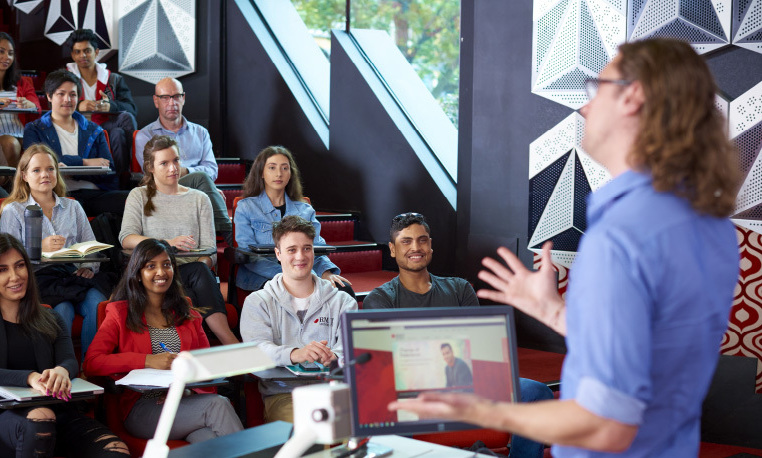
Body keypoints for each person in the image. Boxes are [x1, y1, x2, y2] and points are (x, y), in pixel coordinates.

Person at [389, 38, 741, 457]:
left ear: (634, 96)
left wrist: (488, 409)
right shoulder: (711, 223)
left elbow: (607, 427)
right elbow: (652, 352)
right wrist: (554, 311)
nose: (586, 106)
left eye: (598, 87)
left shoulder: (621, 237)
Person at [365, 212, 553, 458]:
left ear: (430, 245)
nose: (416, 247)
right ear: (392, 249)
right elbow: (390, 364)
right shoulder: (380, 299)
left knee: (536, 393)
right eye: (406, 241)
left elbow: (477, 348)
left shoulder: (460, 288)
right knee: (386, 404)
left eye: (422, 240)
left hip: (466, 380)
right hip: (411, 389)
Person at [84, 238, 243, 443]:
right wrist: (148, 360)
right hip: (143, 408)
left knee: (209, 438)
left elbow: (204, 362)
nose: (161, 272)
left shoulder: (187, 310)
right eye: (151, 266)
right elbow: (92, 363)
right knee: (218, 404)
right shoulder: (119, 312)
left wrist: (187, 389)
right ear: (138, 274)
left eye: (166, 265)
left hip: (185, 401)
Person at [0, 233, 128, 458]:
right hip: (6, 416)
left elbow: (69, 360)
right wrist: (29, 377)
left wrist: (61, 370)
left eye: (20, 266)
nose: (15, 276)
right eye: (3, 270)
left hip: (57, 413)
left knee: (115, 451)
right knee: (40, 419)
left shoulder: (50, 317)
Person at [119, 135, 238, 345]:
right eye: (164, 163)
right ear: (151, 167)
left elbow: (210, 251)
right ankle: (227, 346)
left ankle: (226, 341)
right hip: (153, 272)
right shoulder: (138, 195)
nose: (173, 168)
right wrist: (167, 243)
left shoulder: (199, 198)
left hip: (190, 272)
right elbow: (127, 239)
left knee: (201, 272)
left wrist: (203, 264)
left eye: (175, 161)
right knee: (192, 288)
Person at [239, 215, 357, 422]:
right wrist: (294, 353)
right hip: (284, 395)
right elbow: (256, 349)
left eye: (307, 248)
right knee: (310, 433)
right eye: (292, 250)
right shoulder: (258, 302)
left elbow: (353, 348)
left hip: (333, 391)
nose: (300, 256)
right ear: (278, 254)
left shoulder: (343, 301)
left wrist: (335, 357)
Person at [0, 144, 109, 360]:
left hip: (70, 274)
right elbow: (7, 258)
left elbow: (90, 246)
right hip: (36, 277)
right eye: (37, 170)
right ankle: (62, 368)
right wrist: (39, 250)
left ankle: (92, 366)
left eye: (50, 169)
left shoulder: (72, 206)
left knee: (97, 302)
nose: (45, 175)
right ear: (24, 176)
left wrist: (87, 266)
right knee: (64, 310)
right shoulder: (14, 210)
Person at [235, 146, 351, 295]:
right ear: (261, 173)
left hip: (303, 273)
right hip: (263, 277)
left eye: (285, 168)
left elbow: (316, 248)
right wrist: (291, 276)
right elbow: (248, 256)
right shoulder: (246, 207)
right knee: (289, 291)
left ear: (290, 174)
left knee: (343, 290)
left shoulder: (305, 210)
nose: (279, 173)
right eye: (272, 167)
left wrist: (326, 273)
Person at [22, 69, 128, 216]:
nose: (67, 100)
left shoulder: (93, 130)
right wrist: (85, 163)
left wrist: (69, 168)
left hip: (94, 193)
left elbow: (108, 168)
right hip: (57, 195)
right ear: (49, 96)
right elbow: (38, 165)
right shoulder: (34, 129)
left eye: (73, 95)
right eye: (61, 94)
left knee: (132, 200)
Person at [134, 78, 231, 237]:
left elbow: (212, 170)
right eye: (165, 97)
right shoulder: (145, 136)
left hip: (200, 190)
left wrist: (203, 184)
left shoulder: (200, 133)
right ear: (156, 101)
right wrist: (195, 177)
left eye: (176, 96)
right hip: (164, 192)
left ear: (183, 98)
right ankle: (229, 235)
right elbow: (154, 175)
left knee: (202, 179)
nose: (172, 103)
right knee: (201, 177)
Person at [64, 29, 138, 176]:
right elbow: (50, 105)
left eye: (87, 51)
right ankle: (129, 173)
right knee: (117, 132)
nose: (82, 56)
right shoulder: (64, 78)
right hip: (78, 126)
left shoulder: (113, 79)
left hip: (105, 125)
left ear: (96, 52)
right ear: (72, 55)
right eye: (77, 52)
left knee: (123, 122)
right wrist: (79, 105)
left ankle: (121, 177)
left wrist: (110, 106)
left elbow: (131, 108)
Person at [0, 32, 40, 171]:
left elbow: (36, 106)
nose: (6, 57)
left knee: (38, 148)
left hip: (20, 131)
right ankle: (14, 185)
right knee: (11, 144)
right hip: (3, 134)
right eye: (1, 52)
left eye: (10, 53)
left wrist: (29, 104)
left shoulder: (23, 82)